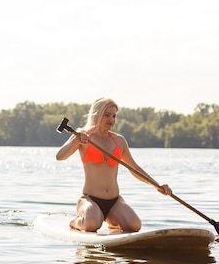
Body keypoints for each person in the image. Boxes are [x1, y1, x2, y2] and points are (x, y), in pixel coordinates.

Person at [56, 97, 172, 232]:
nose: (111, 119)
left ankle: (111, 220)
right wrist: (76, 140)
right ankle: (76, 222)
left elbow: (134, 168)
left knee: (134, 226)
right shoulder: (83, 137)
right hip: (90, 199)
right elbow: (60, 156)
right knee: (92, 224)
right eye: (107, 115)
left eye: (114, 116)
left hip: (114, 201)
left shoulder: (119, 140)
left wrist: (157, 185)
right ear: (96, 114)